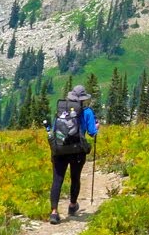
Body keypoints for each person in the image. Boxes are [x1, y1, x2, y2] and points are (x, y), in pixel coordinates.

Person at [48, 84, 98, 224]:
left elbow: (54, 129)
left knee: (57, 180)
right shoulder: (87, 112)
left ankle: (54, 212)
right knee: (75, 177)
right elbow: (92, 132)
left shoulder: (61, 109)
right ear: (83, 99)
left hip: (60, 150)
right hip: (77, 151)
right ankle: (72, 205)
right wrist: (97, 127)